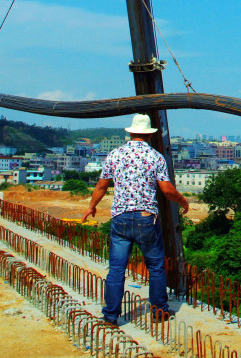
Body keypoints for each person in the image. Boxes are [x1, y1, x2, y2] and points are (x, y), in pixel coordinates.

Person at [82, 113, 189, 325]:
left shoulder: (115, 154)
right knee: (156, 267)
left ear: (130, 132)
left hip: (120, 218)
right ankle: (159, 312)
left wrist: (91, 207)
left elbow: (102, 186)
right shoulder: (156, 157)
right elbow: (167, 190)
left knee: (116, 269)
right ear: (149, 135)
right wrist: (183, 202)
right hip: (146, 218)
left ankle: (111, 316)